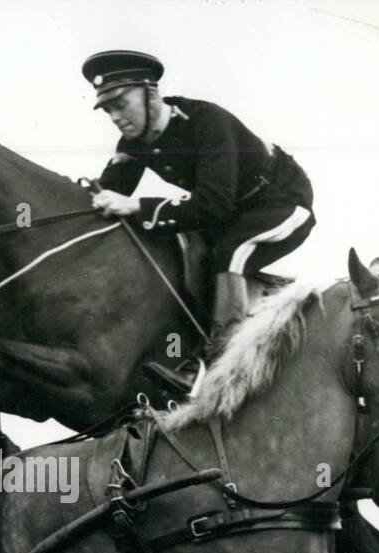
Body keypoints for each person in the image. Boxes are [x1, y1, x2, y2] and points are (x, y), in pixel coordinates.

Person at [82, 49, 316, 356]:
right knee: (179, 249)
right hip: (232, 212)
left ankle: (228, 353)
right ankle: (182, 351)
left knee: (230, 253)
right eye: (107, 109)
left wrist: (137, 205)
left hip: (281, 202)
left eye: (121, 104)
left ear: (151, 93)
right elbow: (105, 195)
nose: (114, 117)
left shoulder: (207, 121)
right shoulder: (132, 144)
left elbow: (213, 206)